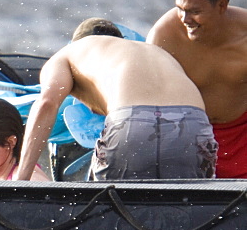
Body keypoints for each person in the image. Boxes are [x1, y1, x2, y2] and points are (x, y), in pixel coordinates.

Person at [15, 17, 217, 181]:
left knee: (107, 212)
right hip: (193, 123)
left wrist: (21, 179)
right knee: (192, 210)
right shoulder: (153, 52)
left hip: (132, 124)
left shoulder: (69, 52)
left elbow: (46, 104)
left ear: (78, 40)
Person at [147, 0, 247, 178]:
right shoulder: (164, 36)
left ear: (221, 5)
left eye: (194, 11)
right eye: (179, 9)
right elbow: (148, 100)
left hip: (242, 139)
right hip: (186, 139)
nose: (185, 19)